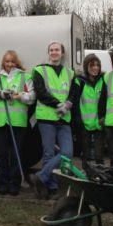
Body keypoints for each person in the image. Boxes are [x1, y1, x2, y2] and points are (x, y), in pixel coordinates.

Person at [28, 41, 74, 199]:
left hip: (64, 118)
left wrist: (67, 105)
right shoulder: (39, 70)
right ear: (48, 53)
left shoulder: (70, 72)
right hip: (46, 117)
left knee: (67, 152)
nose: (54, 52)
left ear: (62, 53)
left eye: (57, 50)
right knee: (48, 154)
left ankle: (40, 176)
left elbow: (74, 93)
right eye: (51, 50)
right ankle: (51, 189)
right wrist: (58, 104)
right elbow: (40, 92)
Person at [0, 50, 35, 195]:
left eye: (12, 61)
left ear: (16, 63)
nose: (9, 64)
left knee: (16, 153)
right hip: (1, 122)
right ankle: (3, 183)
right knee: (1, 153)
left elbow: (32, 97)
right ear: (3, 63)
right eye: (7, 61)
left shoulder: (25, 77)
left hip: (18, 122)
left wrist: (20, 96)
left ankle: (15, 183)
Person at [72, 53, 105, 166]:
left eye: (97, 65)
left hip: (99, 123)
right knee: (85, 154)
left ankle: (100, 176)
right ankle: (86, 175)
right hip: (84, 124)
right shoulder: (79, 81)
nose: (95, 68)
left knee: (99, 155)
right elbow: (75, 102)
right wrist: (77, 119)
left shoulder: (104, 80)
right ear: (86, 67)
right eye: (92, 65)